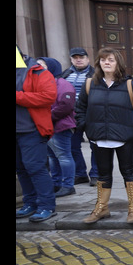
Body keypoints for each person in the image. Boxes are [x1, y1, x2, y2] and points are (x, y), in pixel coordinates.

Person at [76, 48, 133, 224]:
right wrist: (84, 126)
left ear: (118, 63)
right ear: (98, 64)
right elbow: (80, 108)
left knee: (128, 171)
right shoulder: (90, 84)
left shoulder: (130, 85)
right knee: (103, 174)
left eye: (110, 60)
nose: (106, 63)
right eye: (103, 60)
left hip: (124, 138)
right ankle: (102, 208)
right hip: (99, 137)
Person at [16, 54, 58, 222]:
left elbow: (48, 96)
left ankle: (47, 205)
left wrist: (18, 96)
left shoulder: (38, 71)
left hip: (31, 129)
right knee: (20, 169)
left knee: (35, 168)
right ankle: (30, 203)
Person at [36, 57, 77, 198]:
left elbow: (65, 106)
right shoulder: (43, 83)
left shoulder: (63, 84)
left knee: (64, 157)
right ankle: (56, 183)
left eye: (41, 65)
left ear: (51, 67)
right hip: (46, 127)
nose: (37, 68)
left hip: (60, 127)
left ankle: (68, 185)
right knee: (52, 158)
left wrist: (45, 117)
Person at [61, 48, 97, 185]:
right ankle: (80, 173)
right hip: (71, 116)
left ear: (87, 59)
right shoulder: (65, 74)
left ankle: (96, 174)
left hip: (91, 114)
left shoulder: (96, 74)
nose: (78, 59)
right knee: (73, 145)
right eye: (75, 57)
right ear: (71, 59)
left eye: (81, 57)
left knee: (96, 145)